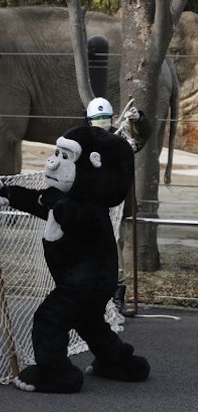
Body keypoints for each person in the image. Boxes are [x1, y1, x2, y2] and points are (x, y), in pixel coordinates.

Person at [86, 97, 152, 317]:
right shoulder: (84, 140)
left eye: (105, 118)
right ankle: (93, 298)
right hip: (91, 205)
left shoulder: (122, 136)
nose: (102, 122)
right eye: (98, 119)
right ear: (89, 121)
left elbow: (142, 137)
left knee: (115, 248)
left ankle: (118, 298)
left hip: (117, 206)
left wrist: (139, 120)